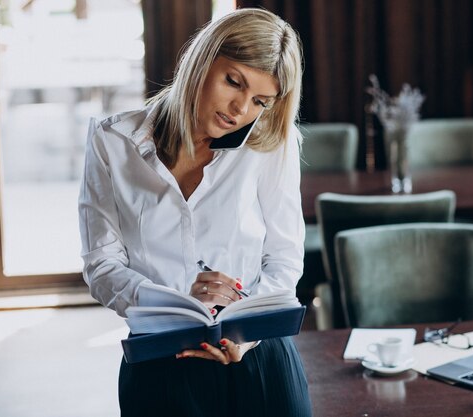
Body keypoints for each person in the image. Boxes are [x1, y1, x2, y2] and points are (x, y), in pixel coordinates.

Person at [78, 8, 312, 417]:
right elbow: (101, 264)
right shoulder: (112, 141)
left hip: (256, 356)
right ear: (203, 60)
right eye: (233, 82)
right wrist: (172, 303)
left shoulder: (271, 144)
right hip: (159, 364)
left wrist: (245, 330)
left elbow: (285, 255)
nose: (240, 109)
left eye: (260, 100)